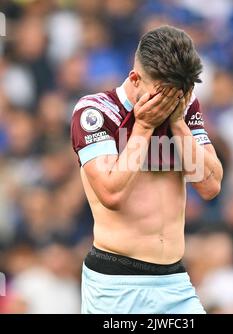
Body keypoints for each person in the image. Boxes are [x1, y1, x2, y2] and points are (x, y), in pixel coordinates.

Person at [71, 25, 223, 314]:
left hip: (175, 282)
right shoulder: (96, 112)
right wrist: (143, 127)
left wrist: (177, 122)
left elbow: (210, 186)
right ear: (135, 79)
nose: (169, 103)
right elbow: (111, 194)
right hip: (116, 285)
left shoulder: (184, 108)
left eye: (178, 95)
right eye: (161, 95)